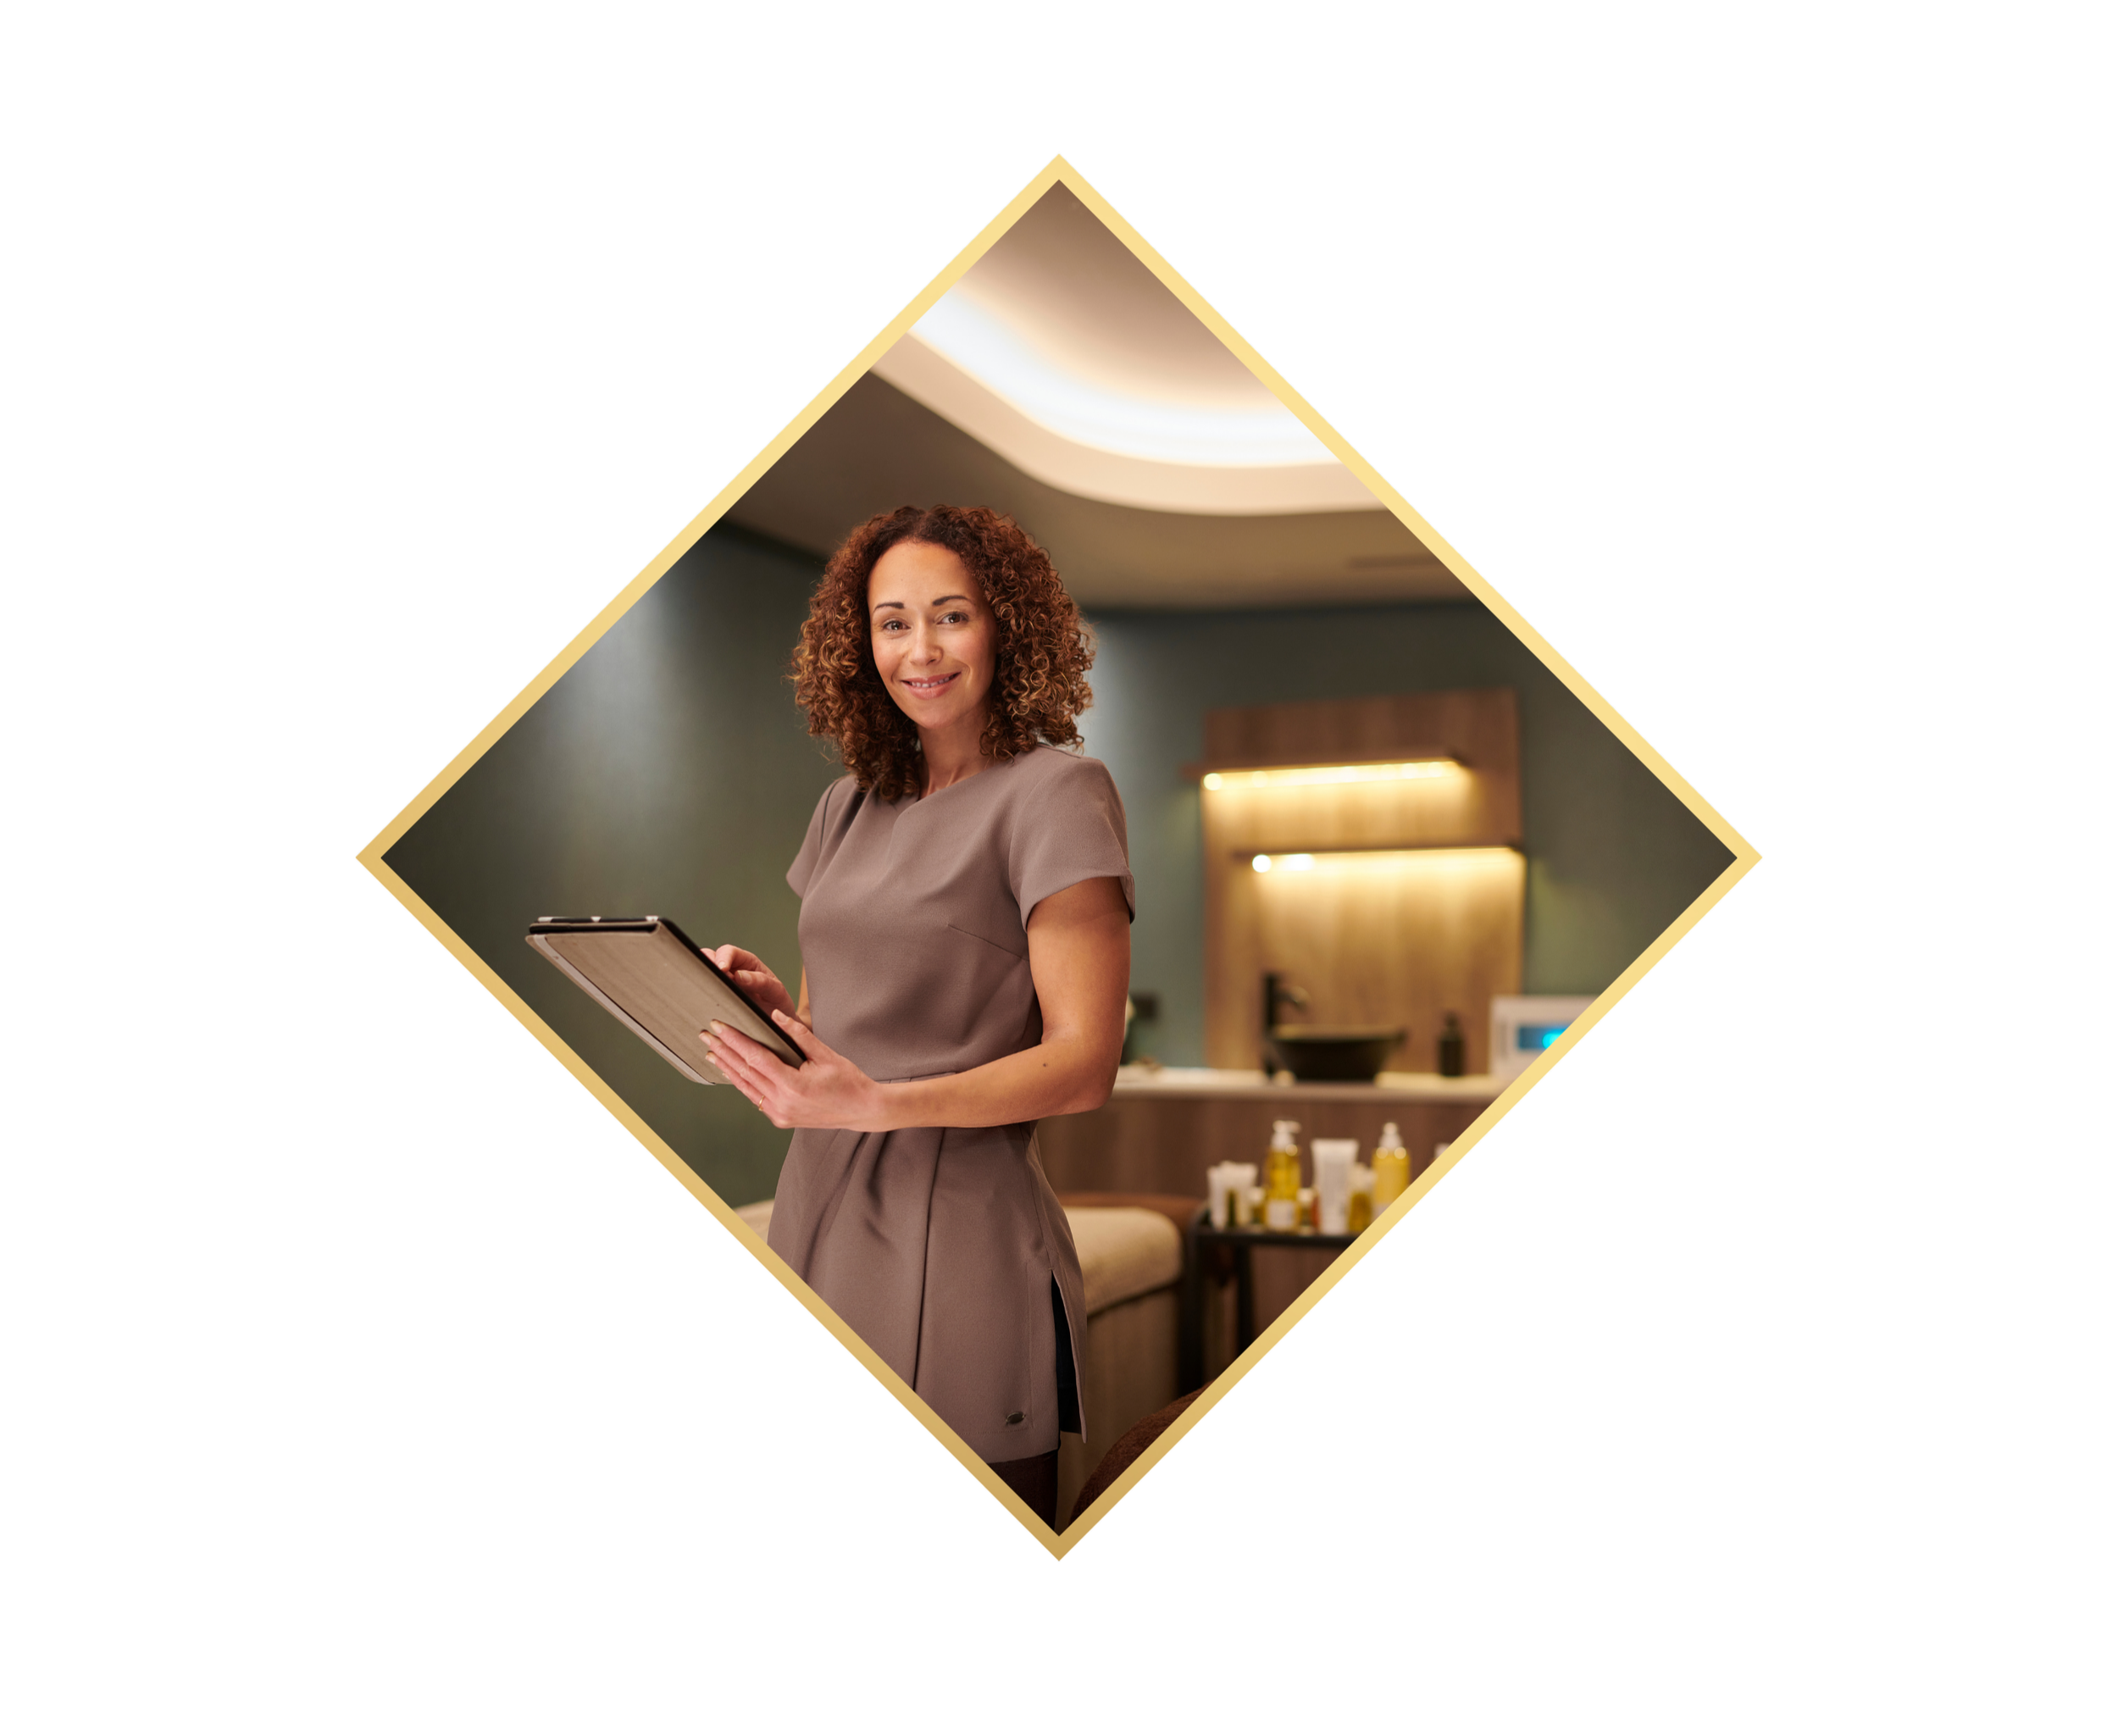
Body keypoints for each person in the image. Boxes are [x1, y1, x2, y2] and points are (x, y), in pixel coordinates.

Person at [697, 503, 1132, 1529]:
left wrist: (879, 1103)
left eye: (950, 617)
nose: (919, 650)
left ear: (1005, 628)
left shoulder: (1058, 795)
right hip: (817, 1212)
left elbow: (1083, 1065)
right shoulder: (847, 804)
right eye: (892, 623)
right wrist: (768, 1013)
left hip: (961, 1233)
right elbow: (831, 1026)